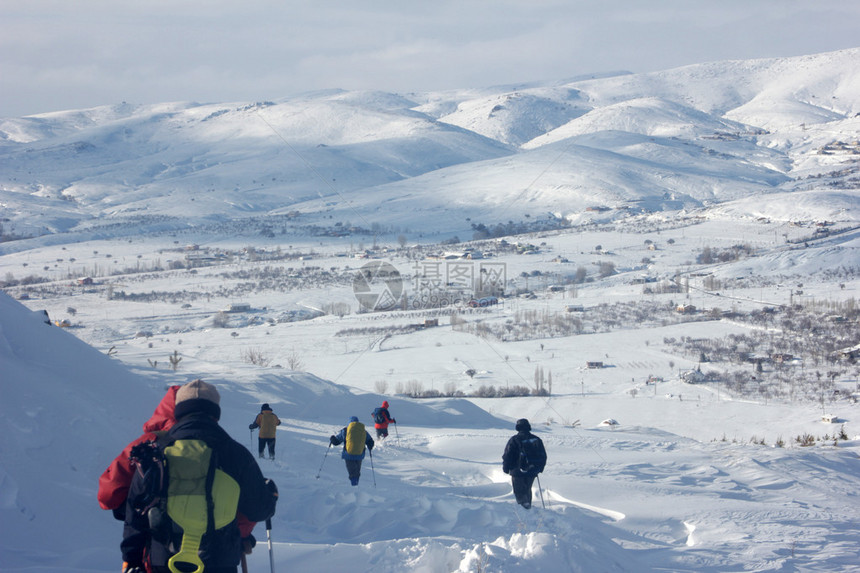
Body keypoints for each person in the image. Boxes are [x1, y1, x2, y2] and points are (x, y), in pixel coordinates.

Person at [121, 380, 278, 573]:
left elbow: (136, 512)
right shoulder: (236, 454)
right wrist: (270, 496)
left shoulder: (157, 452)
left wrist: (132, 560)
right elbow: (258, 510)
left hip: (163, 560)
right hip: (218, 562)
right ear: (215, 413)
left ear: (179, 411)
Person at [502, 418, 547, 509]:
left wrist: (506, 467)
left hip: (517, 470)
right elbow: (543, 456)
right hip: (532, 470)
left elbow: (508, 455)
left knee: (519, 491)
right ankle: (528, 507)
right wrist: (539, 468)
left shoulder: (514, 439)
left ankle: (524, 509)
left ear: (518, 428)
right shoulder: (537, 439)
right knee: (527, 489)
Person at [329, 416, 374, 486]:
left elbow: (336, 442)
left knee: (352, 472)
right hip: (360, 454)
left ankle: (353, 487)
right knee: (357, 472)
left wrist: (332, 438)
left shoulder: (345, 430)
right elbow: (370, 442)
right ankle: (356, 485)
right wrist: (370, 447)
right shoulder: (363, 431)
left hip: (348, 455)